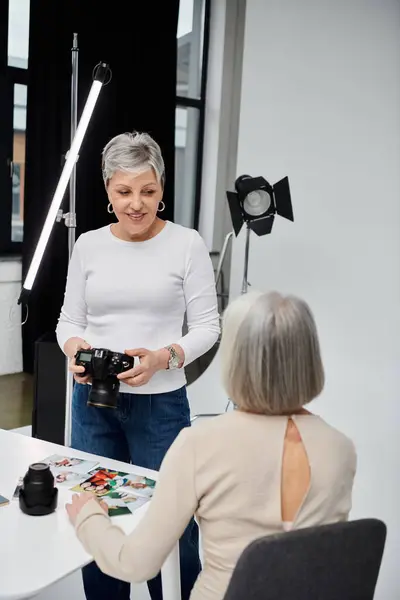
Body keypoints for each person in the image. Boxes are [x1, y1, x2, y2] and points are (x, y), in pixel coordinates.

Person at [66, 290, 357, 600]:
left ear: (236, 359)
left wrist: (88, 515)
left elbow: (134, 564)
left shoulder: (200, 445)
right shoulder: (340, 448)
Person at [56, 131, 220, 600]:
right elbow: (70, 319)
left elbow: (209, 326)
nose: (136, 204)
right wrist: (77, 352)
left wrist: (163, 358)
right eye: (124, 191)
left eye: (148, 191)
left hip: (161, 406)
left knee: (174, 528)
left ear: (162, 187)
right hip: (93, 402)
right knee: (98, 519)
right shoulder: (88, 245)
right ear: (108, 189)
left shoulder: (186, 245)